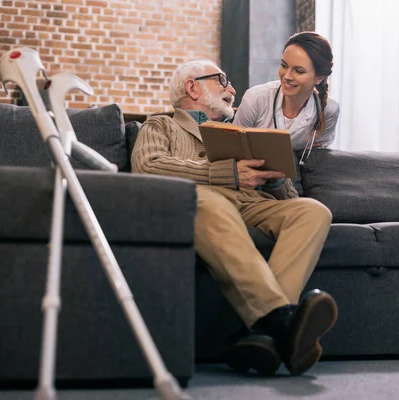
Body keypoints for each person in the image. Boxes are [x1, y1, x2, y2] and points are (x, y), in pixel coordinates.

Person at [131, 59, 338, 377]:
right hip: (207, 203)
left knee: (313, 211)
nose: (233, 89)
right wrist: (225, 172)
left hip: (253, 205)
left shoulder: (246, 133)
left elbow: (290, 199)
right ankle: (279, 321)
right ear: (192, 87)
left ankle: (264, 335)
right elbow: (147, 167)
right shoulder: (160, 126)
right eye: (222, 80)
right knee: (206, 200)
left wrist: (275, 178)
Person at [233, 31, 340, 164]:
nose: (287, 76)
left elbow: (316, 159)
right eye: (284, 65)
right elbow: (234, 151)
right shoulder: (255, 99)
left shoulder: (328, 111)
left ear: (319, 78)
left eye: (299, 71)